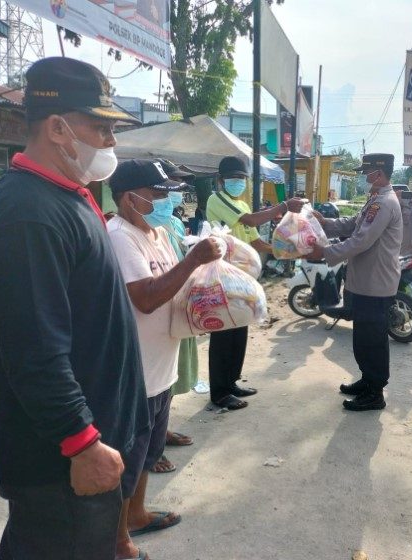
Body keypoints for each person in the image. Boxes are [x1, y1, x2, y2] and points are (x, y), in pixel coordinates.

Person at [0, 57, 148, 560]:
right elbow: (34, 351)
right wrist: (80, 441)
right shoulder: (27, 216)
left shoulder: (65, 195)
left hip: (91, 443)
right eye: (101, 127)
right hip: (59, 462)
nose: (111, 143)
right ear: (56, 127)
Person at [107, 159, 223, 559]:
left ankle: (136, 515)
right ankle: (119, 539)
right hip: (136, 370)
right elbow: (147, 296)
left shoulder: (155, 232)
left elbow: (175, 280)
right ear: (130, 197)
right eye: (157, 192)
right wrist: (194, 261)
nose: (164, 198)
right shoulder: (120, 236)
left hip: (162, 363)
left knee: (149, 452)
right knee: (129, 455)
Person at [205, 156, 305, 410]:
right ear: (220, 180)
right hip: (222, 275)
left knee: (239, 328)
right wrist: (282, 206)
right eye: (233, 178)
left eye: (241, 179)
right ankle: (219, 392)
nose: (238, 183)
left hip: (242, 277)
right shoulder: (217, 200)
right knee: (223, 333)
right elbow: (250, 221)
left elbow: (254, 241)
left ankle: (231, 382)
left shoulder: (241, 203)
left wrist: (284, 250)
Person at [307, 153, 403, 411]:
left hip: (376, 285)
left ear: (379, 173)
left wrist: (325, 253)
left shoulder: (383, 203)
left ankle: (375, 393)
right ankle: (367, 380)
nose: (363, 177)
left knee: (372, 340)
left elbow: (361, 240)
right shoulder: (374, 200)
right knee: (362, 339)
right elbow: (352, 225)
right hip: (364, 282)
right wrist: (325, 223)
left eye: (366, 172)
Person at [149, 159, 198, 475]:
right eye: (165, 190)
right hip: (155, 316)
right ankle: (151, 448)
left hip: (178, 306)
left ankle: (161, 432)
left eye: (176, 189)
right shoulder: (127, 231)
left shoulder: (170, 225)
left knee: (171, 377)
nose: (172, 196)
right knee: (152, 385)